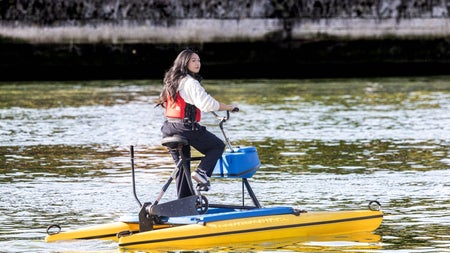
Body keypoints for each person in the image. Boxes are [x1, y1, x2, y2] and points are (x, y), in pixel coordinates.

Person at [156, 49, 238, 198]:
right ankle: (202, 173)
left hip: (169, 128)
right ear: (184, 62)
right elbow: (207, 104)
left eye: (199, 60)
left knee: (182, 166)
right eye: (193, 60)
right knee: (217, 146)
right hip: (185, 128)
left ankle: (185, 202)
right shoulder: (190, 82)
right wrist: (228, 107)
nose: (197, 63)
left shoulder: (171, 81)